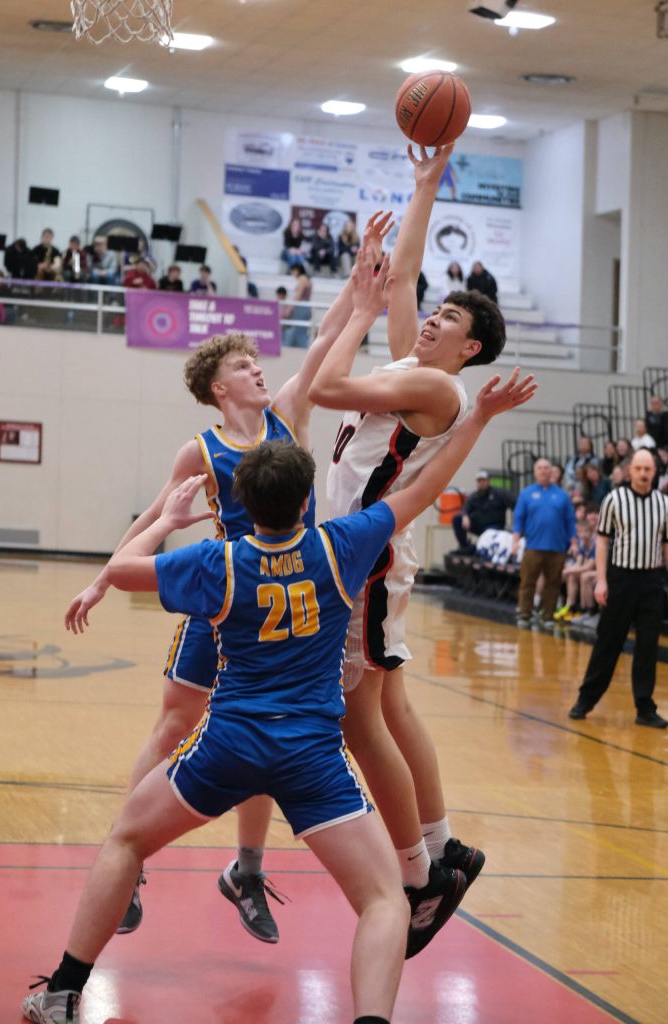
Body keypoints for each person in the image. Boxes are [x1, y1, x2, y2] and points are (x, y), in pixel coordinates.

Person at [21, 313, 535, 1024]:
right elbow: (423, 486)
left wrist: (167, 520)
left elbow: (120, 567)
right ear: (306, 500)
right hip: (312, 759)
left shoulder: (217, 562)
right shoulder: (342, 546)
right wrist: (475, 416)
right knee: (387, 900)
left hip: (227, 746)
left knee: (128, 837)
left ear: (237, 502)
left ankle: (64, 990)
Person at [63, 212, 393, 942]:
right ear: (218, 385)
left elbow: (322, 345)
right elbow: (156, 516)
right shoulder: (200, 450)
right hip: (227, 596)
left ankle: (245, 868)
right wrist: (99, 582)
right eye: (244, 364)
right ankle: (130, 859)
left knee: (271, 731)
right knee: (175, 723)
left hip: (298, 595)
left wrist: (357, 286)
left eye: (256, 362)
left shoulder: (288, 414)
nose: (258, 368)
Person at [310, 144, 536, 955]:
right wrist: (426, 182)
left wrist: (358, 313)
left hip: (365, 563)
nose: (433, 316)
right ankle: (443, 849)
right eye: (435, 313)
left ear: (469, 349)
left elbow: (328, 389)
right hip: (364, 556)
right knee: (387, 709)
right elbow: (405, 277)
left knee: (357, 718)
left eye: (451, 321)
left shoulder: (437, 387)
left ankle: (419, 879)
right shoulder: (421, 365)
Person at [569, 449, 668, 728]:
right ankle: (586, 699)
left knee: (648, 645)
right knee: (608, 641)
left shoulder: (664, 503)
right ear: (630, 471)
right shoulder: (614, 499)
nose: (643, 474)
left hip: (651, 580)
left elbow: (666, 545)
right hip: (621, 577)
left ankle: (645, 707)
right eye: (638, 468)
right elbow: (601, 541)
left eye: (648, 469)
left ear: (654, 472)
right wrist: (601, 580)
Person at [512, 458, 577, 630]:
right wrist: (515, 541)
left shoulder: (562, 495)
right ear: (535, 472)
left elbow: (570, 521)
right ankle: (525, 613)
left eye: (546, 468)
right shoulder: (526, 494)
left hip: (557, 547)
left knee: (553, 583)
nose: (543, 471)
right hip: (533, 546)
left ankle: (548, 615)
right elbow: (518, 519)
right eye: (540, 468)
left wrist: (574, 541)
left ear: (552, 471)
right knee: (527, 581)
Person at [452, 469, 514, 552]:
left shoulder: (500, 493)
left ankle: (483, 550)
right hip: (478, 526)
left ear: (488, 481)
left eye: (483, 480)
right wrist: (465, 516)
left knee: (489, 534)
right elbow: (465, 508)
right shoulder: (473, 496)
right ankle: (465, 546)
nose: (481, 483)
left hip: (494, 526)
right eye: (479, 480)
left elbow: (516, 505)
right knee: (457, 519)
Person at [281, 264, 312, 348]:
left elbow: (298, 296)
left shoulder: (302, 279)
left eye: (293, 271)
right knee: (299, 332)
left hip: (301, 308)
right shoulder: (307, 279)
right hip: (304, 307)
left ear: (297, 270)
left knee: (300, 333)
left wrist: (289, 309)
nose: (292, 273)